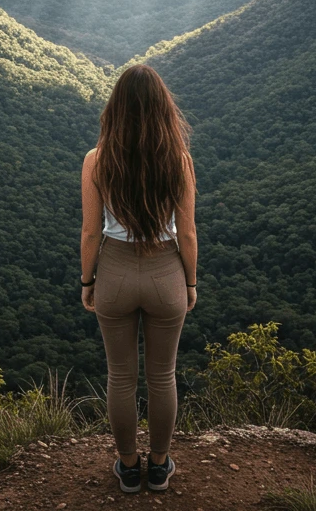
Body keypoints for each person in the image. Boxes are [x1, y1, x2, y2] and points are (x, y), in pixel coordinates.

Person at [80, 64, 198, 494]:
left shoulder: (97, 160)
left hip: (114, 272)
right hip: (166, 272)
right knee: (162, 376)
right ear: (162, 109)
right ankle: (160, 464)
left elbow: (91, 231)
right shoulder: (179, 162)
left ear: (116, 108)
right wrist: (190, 283)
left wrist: (87, 281)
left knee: (121, 377)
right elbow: (186, 232)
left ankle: (128, 467)